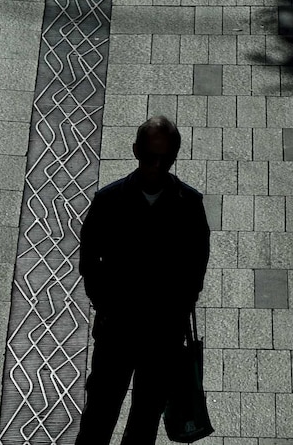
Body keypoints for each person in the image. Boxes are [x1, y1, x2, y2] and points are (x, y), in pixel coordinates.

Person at [74, 116, 211, 445]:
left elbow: (196, 267)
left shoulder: (189, 205)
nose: (158, 166)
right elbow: (89, 260)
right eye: (151, 157)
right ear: (136, 152)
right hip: (117, 331)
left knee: (144, 423)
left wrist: (176, 310)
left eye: (166, 159)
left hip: (161, 338)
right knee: (99, 418)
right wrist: (107, 306)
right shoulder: (109, 201)